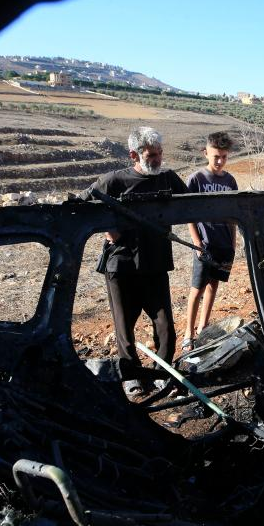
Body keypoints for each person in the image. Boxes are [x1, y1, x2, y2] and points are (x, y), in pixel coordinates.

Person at [81, 126, 187, 397]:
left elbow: (192, 203)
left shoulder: (168, 179)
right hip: (122, 265)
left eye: (160, 153)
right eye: (151, 155)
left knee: (165, 327)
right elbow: (81, 204)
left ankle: (162, 373)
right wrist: (108, 228)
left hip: (156, 263)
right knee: (124, 327)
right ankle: (131, 376)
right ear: (133, 155)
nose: (158, 159)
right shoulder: (114, 181)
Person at [182, 131, 238, 352]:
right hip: (204, 245)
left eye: (224, 157)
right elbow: (188, 214)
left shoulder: (230, 181)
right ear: (205, 153)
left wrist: (233, 243)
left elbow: (233, 216)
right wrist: (197, 242)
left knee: (213, 285)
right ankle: (188, 333)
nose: (220, 161)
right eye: (216, 156)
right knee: (197, 288)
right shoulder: (196, 179)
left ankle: (203, 327)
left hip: (224, 244)